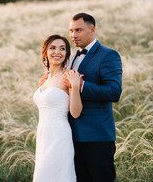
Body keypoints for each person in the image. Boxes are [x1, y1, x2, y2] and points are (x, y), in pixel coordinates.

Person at [40, 13, 123, 181]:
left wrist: (82, 85)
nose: (73, 35)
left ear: (92, 30)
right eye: (71, 31)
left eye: (78, 30)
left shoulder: (108, 55)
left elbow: (114, 91)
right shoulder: (70, 58)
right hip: (69, 136)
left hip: (96, 137)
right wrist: (48, 80)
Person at [33, 34, 83, 182]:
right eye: (53, 48)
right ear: (46, 52)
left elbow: (75, 112)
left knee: (59, 175)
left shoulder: (68, 77)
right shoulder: (45, 78)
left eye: (62, 49)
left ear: (67, 53)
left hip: (59, 135)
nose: (57, 52)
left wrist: (74, 86)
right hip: (43, 136)